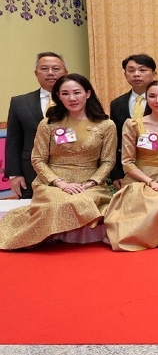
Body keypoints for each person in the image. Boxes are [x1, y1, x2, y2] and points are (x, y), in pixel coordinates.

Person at [0, 74, 116, 250]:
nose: (72, 98)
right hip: (52, 183)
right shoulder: (48, 124)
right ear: (58, 97)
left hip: (90, 183)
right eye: (65, 93)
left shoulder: (106, 125)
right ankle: (27, 236)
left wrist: (90, 182)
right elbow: (38, 159)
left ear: (88, 93)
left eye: (77, 92)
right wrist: (59, 182)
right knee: (61, 202)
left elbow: (108, 161)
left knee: (80, 201)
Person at [102, 80, 158, 251]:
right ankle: (149, 235)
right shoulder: (133, 125)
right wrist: (151, 183)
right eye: (152, 96)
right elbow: (127, 162)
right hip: (139, 178)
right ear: (146, 100)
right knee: (146, 200)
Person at [4, 51, 67, 198]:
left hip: (67, 170)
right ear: (36, 73)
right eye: (44, 69)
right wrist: (14, 174)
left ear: (65, 72)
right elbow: (14, 140)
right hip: (30, 172)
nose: (50, 73)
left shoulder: (76, 101)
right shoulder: (19, 102)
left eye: (56, 69)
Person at [108, 54, 158, 187]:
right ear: (125, 75)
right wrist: (116, 173)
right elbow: (116, 141)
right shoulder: (117, 104)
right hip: (127, 170)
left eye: (142, 70)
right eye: (131, 70)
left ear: (154, 74)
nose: (136, 74)